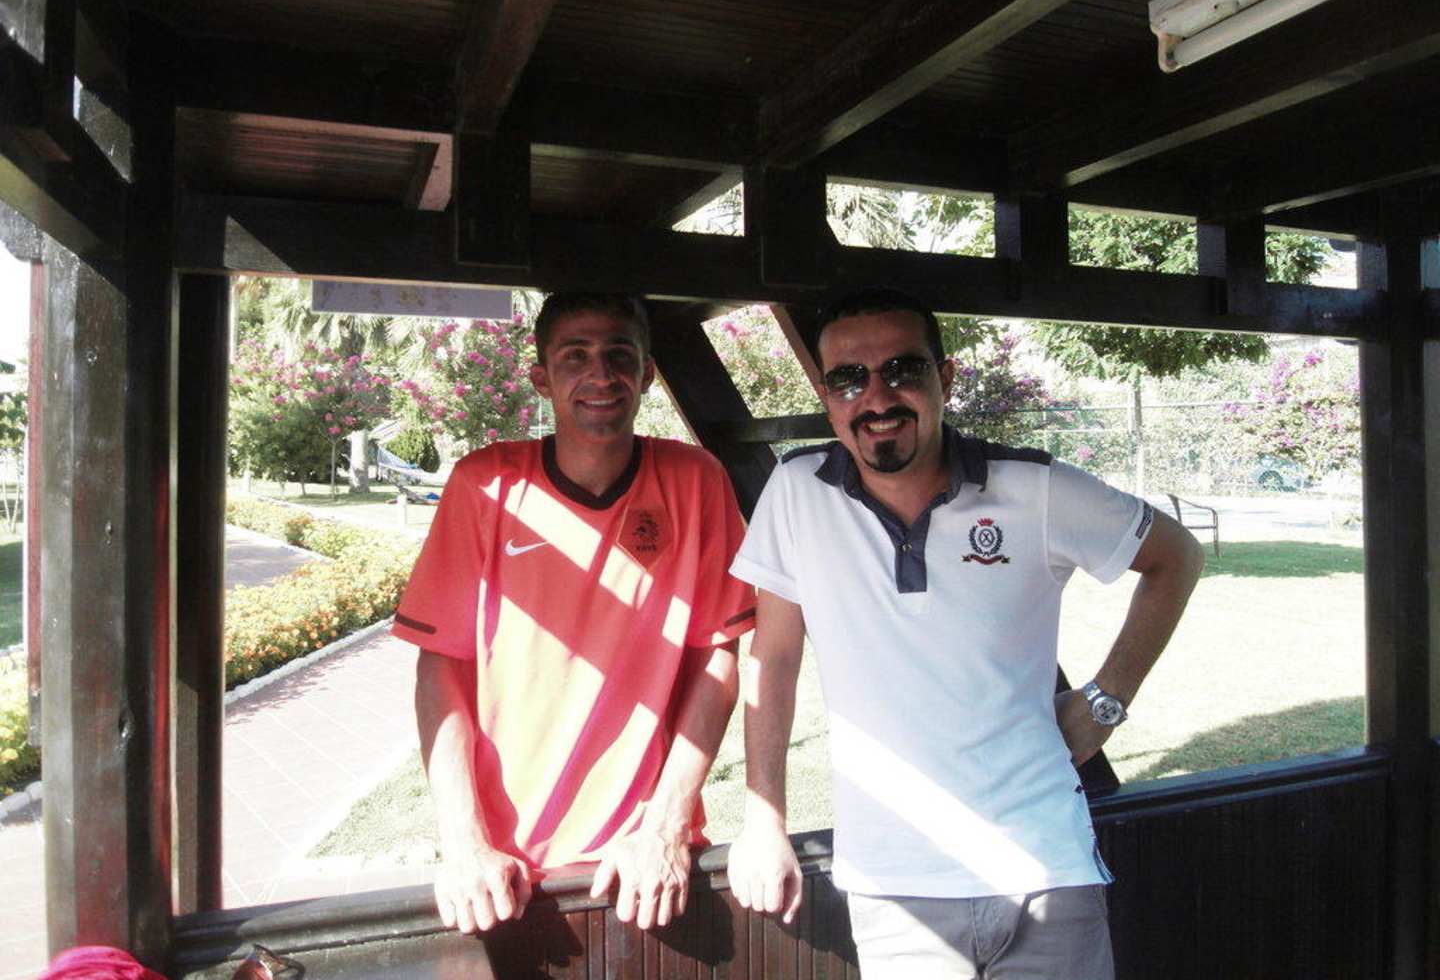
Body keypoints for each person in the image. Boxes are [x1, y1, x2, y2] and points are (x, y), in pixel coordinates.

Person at [726, 287, 1205, 978]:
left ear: (945, 379)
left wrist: (1105, 701)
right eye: (849, 378)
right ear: (827, 396)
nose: (877, 396)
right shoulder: (798, 491)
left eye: (903, 369)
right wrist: (763, 817)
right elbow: (772, 659)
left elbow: (1175, 555)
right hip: (893, 887)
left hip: (1045, 871)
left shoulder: (1033, 489)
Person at [393, 293, 755, 935]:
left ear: (647, 373)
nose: (601, 375)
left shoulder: (695, 480)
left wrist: (666, 824)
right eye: (575, 357)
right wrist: (464, 842)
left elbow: (717, 657)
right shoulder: (485, 484)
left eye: (619, 355)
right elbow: (440, 668)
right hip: (508, 866)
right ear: (542, 377)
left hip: (644, 855)